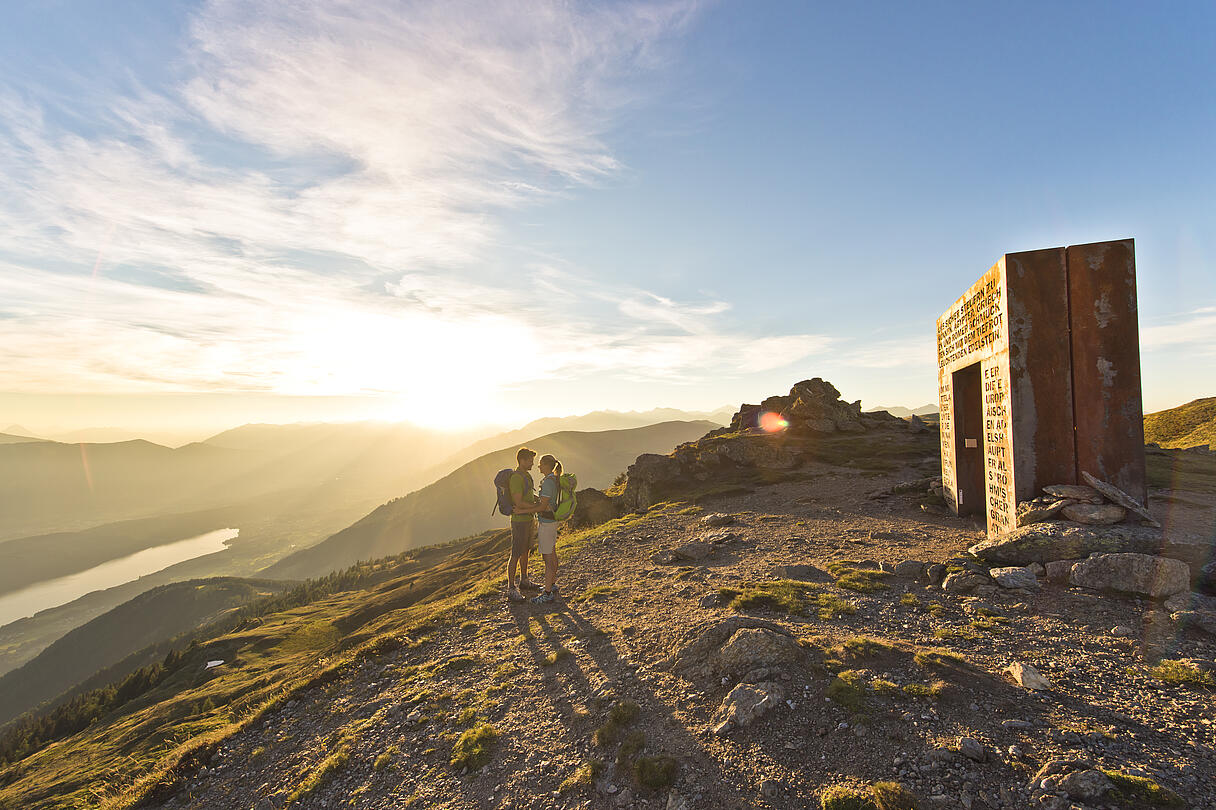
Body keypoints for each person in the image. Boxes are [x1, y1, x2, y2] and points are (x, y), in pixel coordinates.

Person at [506, 447, 542, 601]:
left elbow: (527, 495)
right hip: (519, 521)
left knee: (525, 550)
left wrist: (537, 499)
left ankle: (524, 580)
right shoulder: (516, 478)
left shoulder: (526, 475)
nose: (533, 464)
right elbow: (518, 502)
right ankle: (511, 588)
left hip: (528, 518)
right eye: (530, 461)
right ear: (522, 460)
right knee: (515, 553)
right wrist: (537, 507)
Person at [530, 454, 563, 604]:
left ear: (546, 465)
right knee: (552, 553)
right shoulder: (554, 480)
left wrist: (523, 510)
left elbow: (543, 507)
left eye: (540, 464)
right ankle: (552, 584)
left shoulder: (548, 482)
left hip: (546, 522)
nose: (539, 467)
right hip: (552, 521)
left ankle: (548, 593)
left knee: (548, 558)